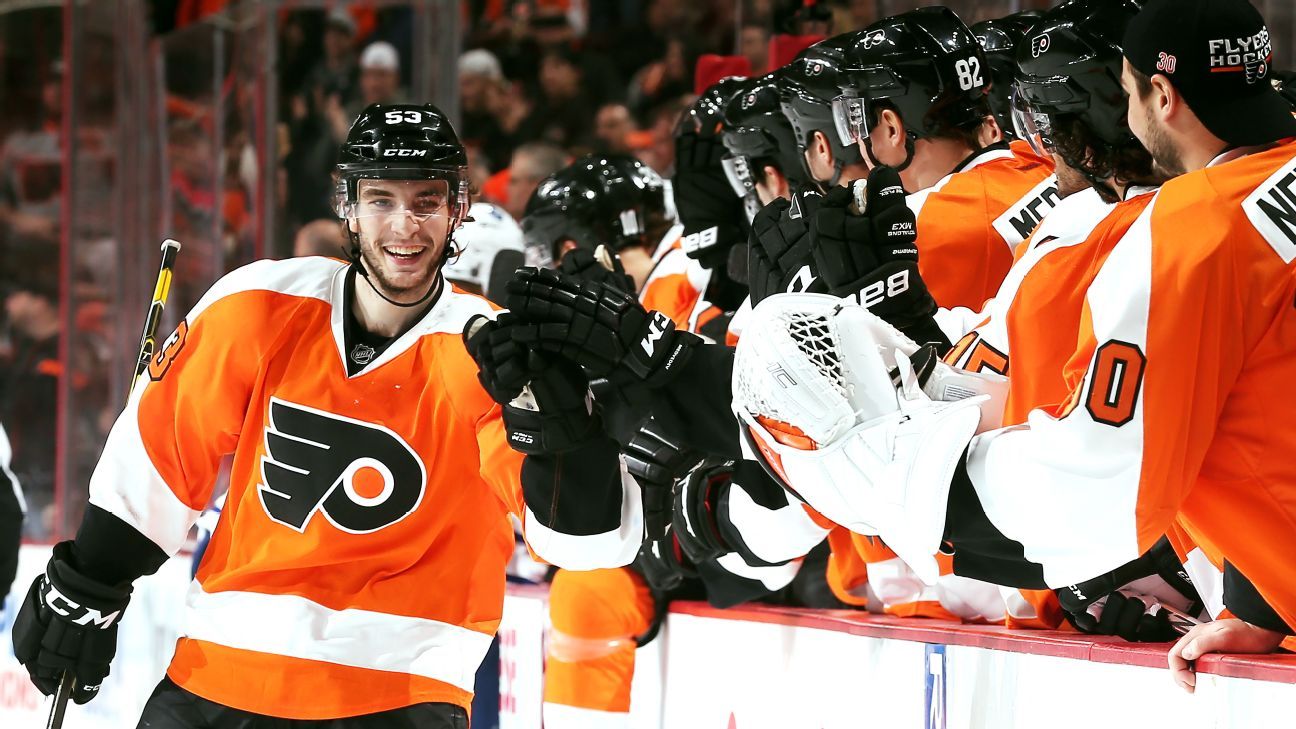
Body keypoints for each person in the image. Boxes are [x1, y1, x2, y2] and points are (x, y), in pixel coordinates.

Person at [11, 103, 641, 726]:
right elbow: (161, 451)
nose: (405, 226)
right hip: (219, 676)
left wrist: (561, 426)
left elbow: (584, 545)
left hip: (399, 696)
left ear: (459, 209)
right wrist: (89, 584)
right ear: (348, 204)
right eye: (381, 200)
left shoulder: (492, 352)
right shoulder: (260, 303)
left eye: (426, 201)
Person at [734, 0, 1296, 691]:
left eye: (1130, 93)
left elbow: (1099, 481)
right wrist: (1260, 600)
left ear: (1162, 95)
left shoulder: (1190, 235)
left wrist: (895, 482)